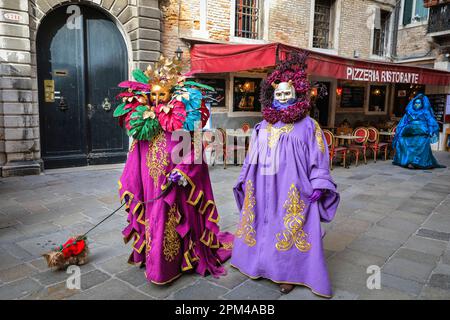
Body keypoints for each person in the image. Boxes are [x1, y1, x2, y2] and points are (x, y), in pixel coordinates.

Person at [114, 55, 233, 285]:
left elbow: (194, 148)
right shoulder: (144, 125)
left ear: (171, 95)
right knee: (154, 221)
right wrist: (131, 182)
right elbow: (135, 155)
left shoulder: (181, 121)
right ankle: (154, 262)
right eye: (154, 95)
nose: (158, 99)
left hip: (175, 185)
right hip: (150, 186)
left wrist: (182, 171)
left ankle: (175, 264)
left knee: (172, 221)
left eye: (163, 94)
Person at [230, 52, 340, 298]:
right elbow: (253, 154)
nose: (282, 98)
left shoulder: (310, 126)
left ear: (297, 94)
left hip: (293, 185)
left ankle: (288, 273)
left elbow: (319, 155)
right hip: (261, 183)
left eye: (286, 94)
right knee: (260, 221)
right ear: (272, 95)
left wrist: (319, 183)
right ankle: (257, 264)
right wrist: (246, 178)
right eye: (278, 94)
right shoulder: (264, 124)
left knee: (287, 224)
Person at [393, 94, 445, 169]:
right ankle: (408, 162)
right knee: (402, 142)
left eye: (419, 103)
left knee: (421, 145)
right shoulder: (409, 112)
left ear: (422, 104)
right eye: (415, 103)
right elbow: (403, 122)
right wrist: (400, 132)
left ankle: (417, 162)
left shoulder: (425, 112)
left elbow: (431, 122)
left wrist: (430, 131)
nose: (417, 105)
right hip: (409, 133)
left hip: (422, 133)